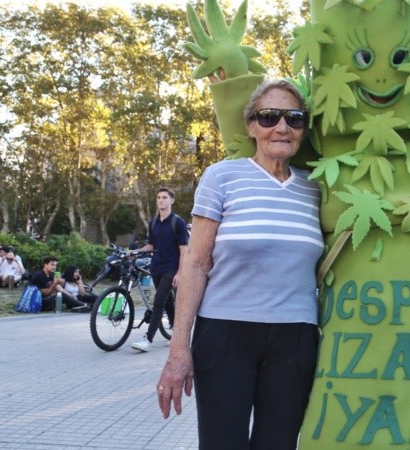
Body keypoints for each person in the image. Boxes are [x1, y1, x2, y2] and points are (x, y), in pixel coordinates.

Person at [156, 79, 323, 450]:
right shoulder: (222, 177)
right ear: (250, 126)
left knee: (278, 445)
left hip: (295, 338)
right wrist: (178, 350)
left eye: (294, 118)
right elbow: (196, 265)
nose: (282, 127)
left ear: (303, 130)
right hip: (225, 333)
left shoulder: (317, 188)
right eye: (268, 116)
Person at [129, 187, 189, 352]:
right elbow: (150, 246)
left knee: (159, 302)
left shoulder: (178, 222)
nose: (161, 200)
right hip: (156, 268)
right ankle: (178, 335)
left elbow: (184, 250)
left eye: (164, 197)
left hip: (171, 268)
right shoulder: (153, 222)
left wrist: (180, 273)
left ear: (171, 200)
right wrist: (135, 252)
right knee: (167, 301)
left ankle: (147, 339)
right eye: (158, 198)